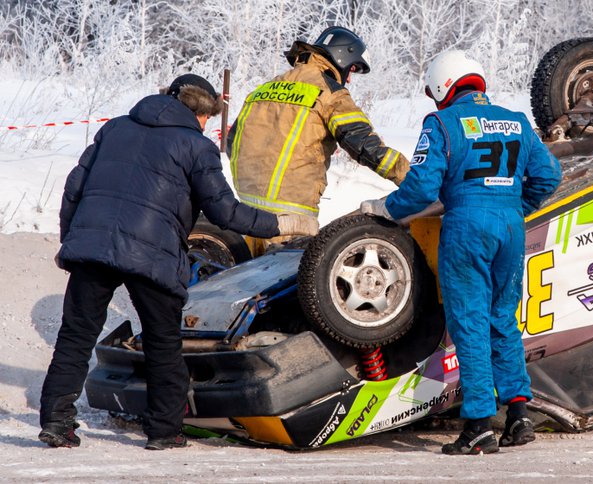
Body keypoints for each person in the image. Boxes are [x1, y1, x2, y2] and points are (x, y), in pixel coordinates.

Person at [39, 74, 319, 451]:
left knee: (75, 337)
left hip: (93, 247)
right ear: (201, 113)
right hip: (151, 253)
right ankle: (164, 431)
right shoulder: (196, 145)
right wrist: (280, 224)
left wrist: (69, 241)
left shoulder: (115, 128)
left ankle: (57, 422)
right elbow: (224, 212)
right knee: (163, 343)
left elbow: (74, 189)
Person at [360, 50, 561, 455]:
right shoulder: (517, 121)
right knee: (503, 318)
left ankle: (479, 424)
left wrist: (386, 209)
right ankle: (519, 414)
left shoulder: (443, 122)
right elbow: (549, 175)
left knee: (468, 323)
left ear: (441, 86)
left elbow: (420, 189)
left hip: (467, 226)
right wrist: (514, 208)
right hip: (509, 227)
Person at [227, 26, 408, 253]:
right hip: (290, 222)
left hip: (246, 216)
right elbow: (365, 145)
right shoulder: (329, 93)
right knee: (294, 286)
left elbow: (233, 141)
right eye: (351, 69)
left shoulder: (265, 88)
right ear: (342, 57)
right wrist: (411, 178)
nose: (349, 79)